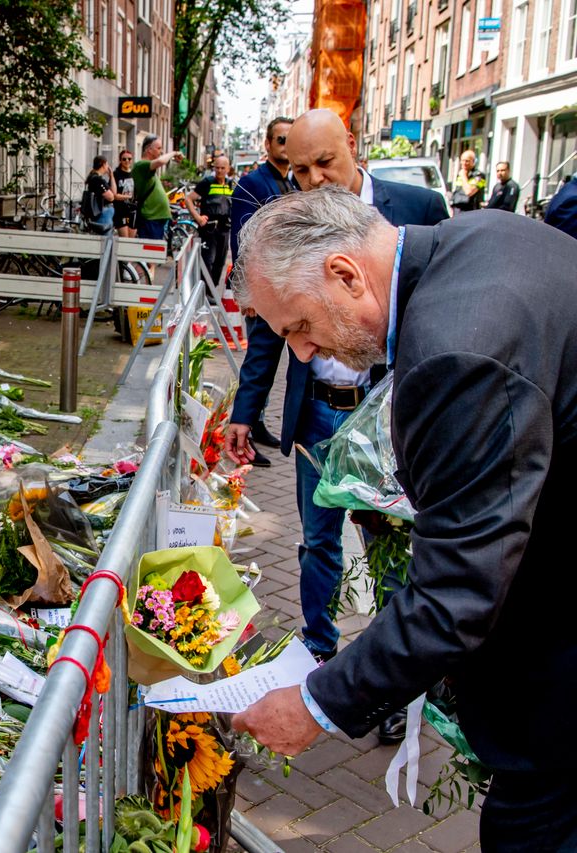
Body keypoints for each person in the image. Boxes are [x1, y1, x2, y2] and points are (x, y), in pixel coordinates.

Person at [229, 187, 577, 851]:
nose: (301, 352)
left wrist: (317, 704)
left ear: (344, 274)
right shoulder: (484, 237)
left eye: (298, 325)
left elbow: (458, 591)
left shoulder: (456, 349)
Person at [227, 108, 447, 744]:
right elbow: (274, 331)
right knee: (318, 539)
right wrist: (246, 411)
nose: (315, 179)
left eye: (325, 162)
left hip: (392, 414)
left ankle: (393, 684)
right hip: (320, 410)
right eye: (300, 170)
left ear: (352, 146)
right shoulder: (291, 223)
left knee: (390, 546)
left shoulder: (416, 208)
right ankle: (317, 651)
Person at [229, 116, 297, 469]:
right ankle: (247, 430)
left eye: (291, 139)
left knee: (272, 363)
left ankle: (258, 423)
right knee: (258, 360)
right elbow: (242, 239)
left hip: (290, 291)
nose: (286, 146)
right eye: (281, 139)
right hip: (265, 292)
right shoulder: (252, 183)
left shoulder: (295, 181)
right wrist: (250, 293)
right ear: (268, 144)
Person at [183, 153, 235, 288]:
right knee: (207, 261)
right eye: (217, 168)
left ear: (228, 169)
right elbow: (189, 199)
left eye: (222, 168)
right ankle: (204, 290)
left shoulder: (231, 185)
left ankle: (212, 289)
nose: (219, 171)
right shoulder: (207, 182)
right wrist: (198, 218)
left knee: (220, 261)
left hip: (224, 228)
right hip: (209, 228)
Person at [131, 135, 183, 241]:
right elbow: (161, 162)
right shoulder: (141, 165)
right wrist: (174, 153)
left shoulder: (148, 168)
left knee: (156, 249)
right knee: (151, 249)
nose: (161, 151)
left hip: (156, 217)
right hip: (150, 217)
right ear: (149, 150)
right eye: (159, 148)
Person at [83, 155, 116, 233]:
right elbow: (111, 197)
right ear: (104, 164)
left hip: (103, 212)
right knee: (106, 237)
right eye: (107, 164)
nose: (108, 166)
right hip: (103, 212)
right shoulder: (97, 180)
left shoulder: (95, 178)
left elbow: (114, 192)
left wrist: (111, 176)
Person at [451, 148, 487, 214]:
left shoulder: (479, 176)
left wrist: (463, 176)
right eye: (462, 160)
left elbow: (469, 192)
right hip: (457, 209)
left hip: (471, 210)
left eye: (467, 161)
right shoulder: (461, 174)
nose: (464, 163)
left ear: (473, 162)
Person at [112, 150, 137, 237]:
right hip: (121, 211)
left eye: (129, 159)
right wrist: (128, 196)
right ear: (120, 160)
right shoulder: (116, 174)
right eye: (124, 159)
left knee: (131, 240)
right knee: (125, 239)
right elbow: (114, 195)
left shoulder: (134, 174)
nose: (127, 161)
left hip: (133, 210)